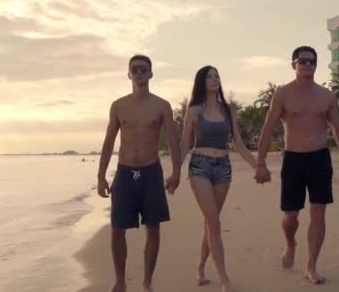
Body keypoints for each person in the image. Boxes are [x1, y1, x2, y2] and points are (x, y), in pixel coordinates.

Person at [255, 46, 339, 285]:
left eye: (312, 61)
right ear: (294, 64)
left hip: (319, 158)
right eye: (303, 61)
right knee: (291, 215)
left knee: (318, 212)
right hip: (293, 158)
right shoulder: (282, 94)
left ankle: (311, 265)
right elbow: (268, 128)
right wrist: (260, 163)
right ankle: (291, 243)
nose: (308, 65)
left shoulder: (327, 96)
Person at [96, 54, 181, 292]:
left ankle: (147, 282)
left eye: (144, 69)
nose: (139, 73)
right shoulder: (118, 105)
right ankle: (120, 282)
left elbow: (173, 141)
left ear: (151, 73)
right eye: (135, 69)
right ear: (129, 74)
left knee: (153, 227)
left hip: (151, 171)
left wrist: (176, 173)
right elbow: (108, 142)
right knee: (116, 229)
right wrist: (101, 175)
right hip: (124, 172)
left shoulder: (161, 105)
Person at [179, 65, 258, 292]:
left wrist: (257, 167)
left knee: (210, 223)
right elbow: (185, 144)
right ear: (201, 82)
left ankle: (201, 266)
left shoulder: (228, 109)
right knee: (214, 222)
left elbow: (239, 144)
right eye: (209, 76)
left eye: (216, 76)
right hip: (200, 167)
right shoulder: (193, 110)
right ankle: (225, 279)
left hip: (223, 167)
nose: (214, 79)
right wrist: (175, 172)